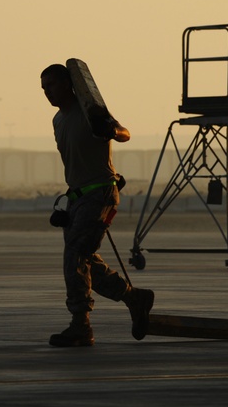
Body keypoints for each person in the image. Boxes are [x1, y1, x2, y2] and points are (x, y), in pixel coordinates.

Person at [40, 63, 154, 347]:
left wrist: (113, 132)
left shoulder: (91, 111)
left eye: (51, 86)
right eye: (43, 89)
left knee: (75, 255)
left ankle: (81, 325)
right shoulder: (58, 121)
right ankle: (133, 297)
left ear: (67, 84)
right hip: (77, 199)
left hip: (100, 194)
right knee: (85, 259)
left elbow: (124, 132)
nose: (47, 93)